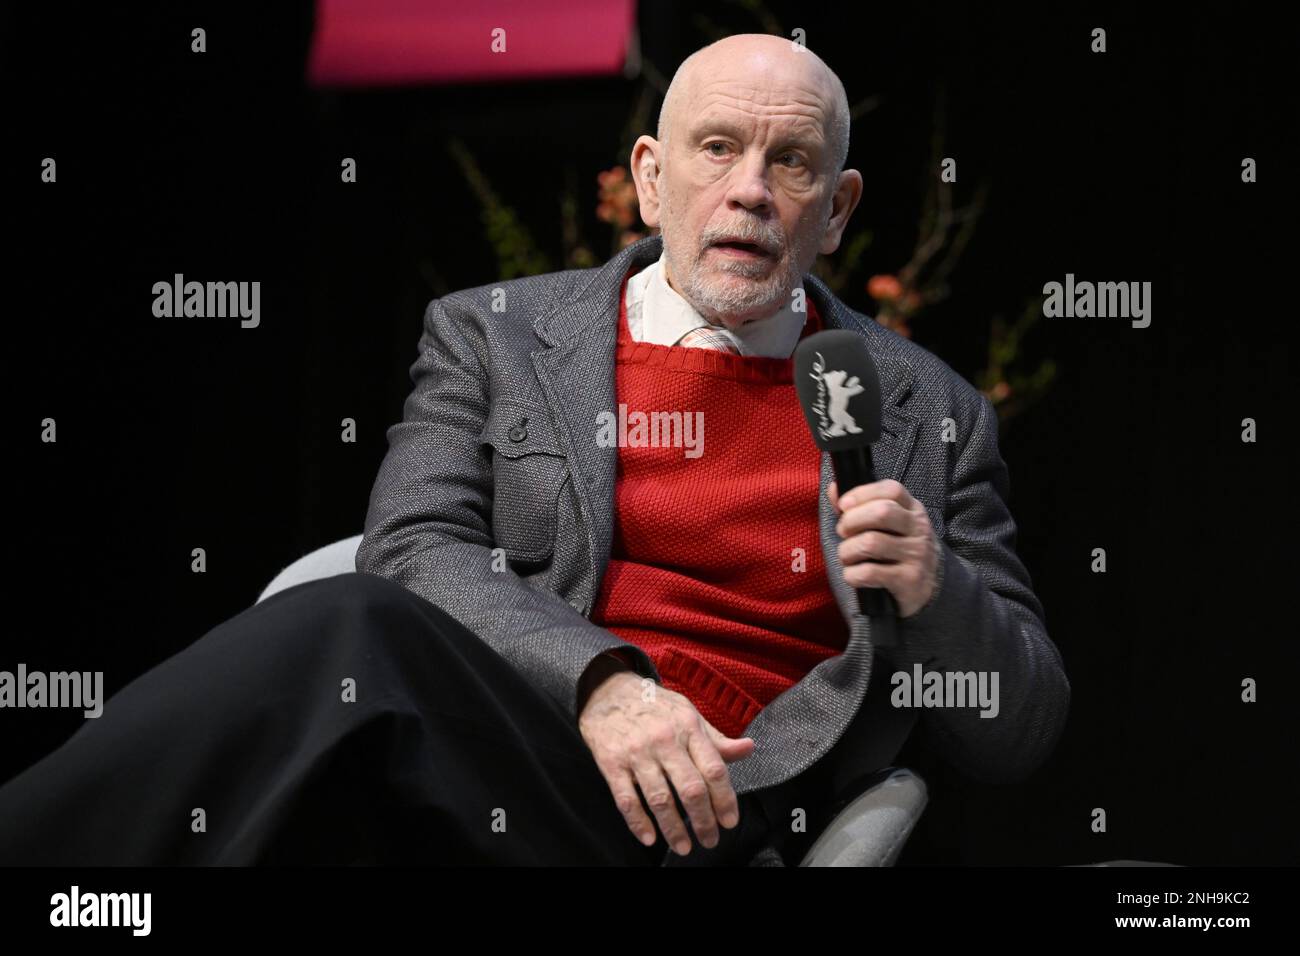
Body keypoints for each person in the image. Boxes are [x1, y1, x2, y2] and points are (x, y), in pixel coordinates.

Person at [0, 33, 1069, 867]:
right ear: (652, 179)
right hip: (530, 741)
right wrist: (602, 683)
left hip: (741, 801)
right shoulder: (496, 332)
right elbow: (414, 543)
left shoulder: (931, 409)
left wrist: (938, 589)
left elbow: (1018, 729)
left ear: (833, 211)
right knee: (337, 643)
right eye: (716, 149)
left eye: (790, 163)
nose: (749, 188)